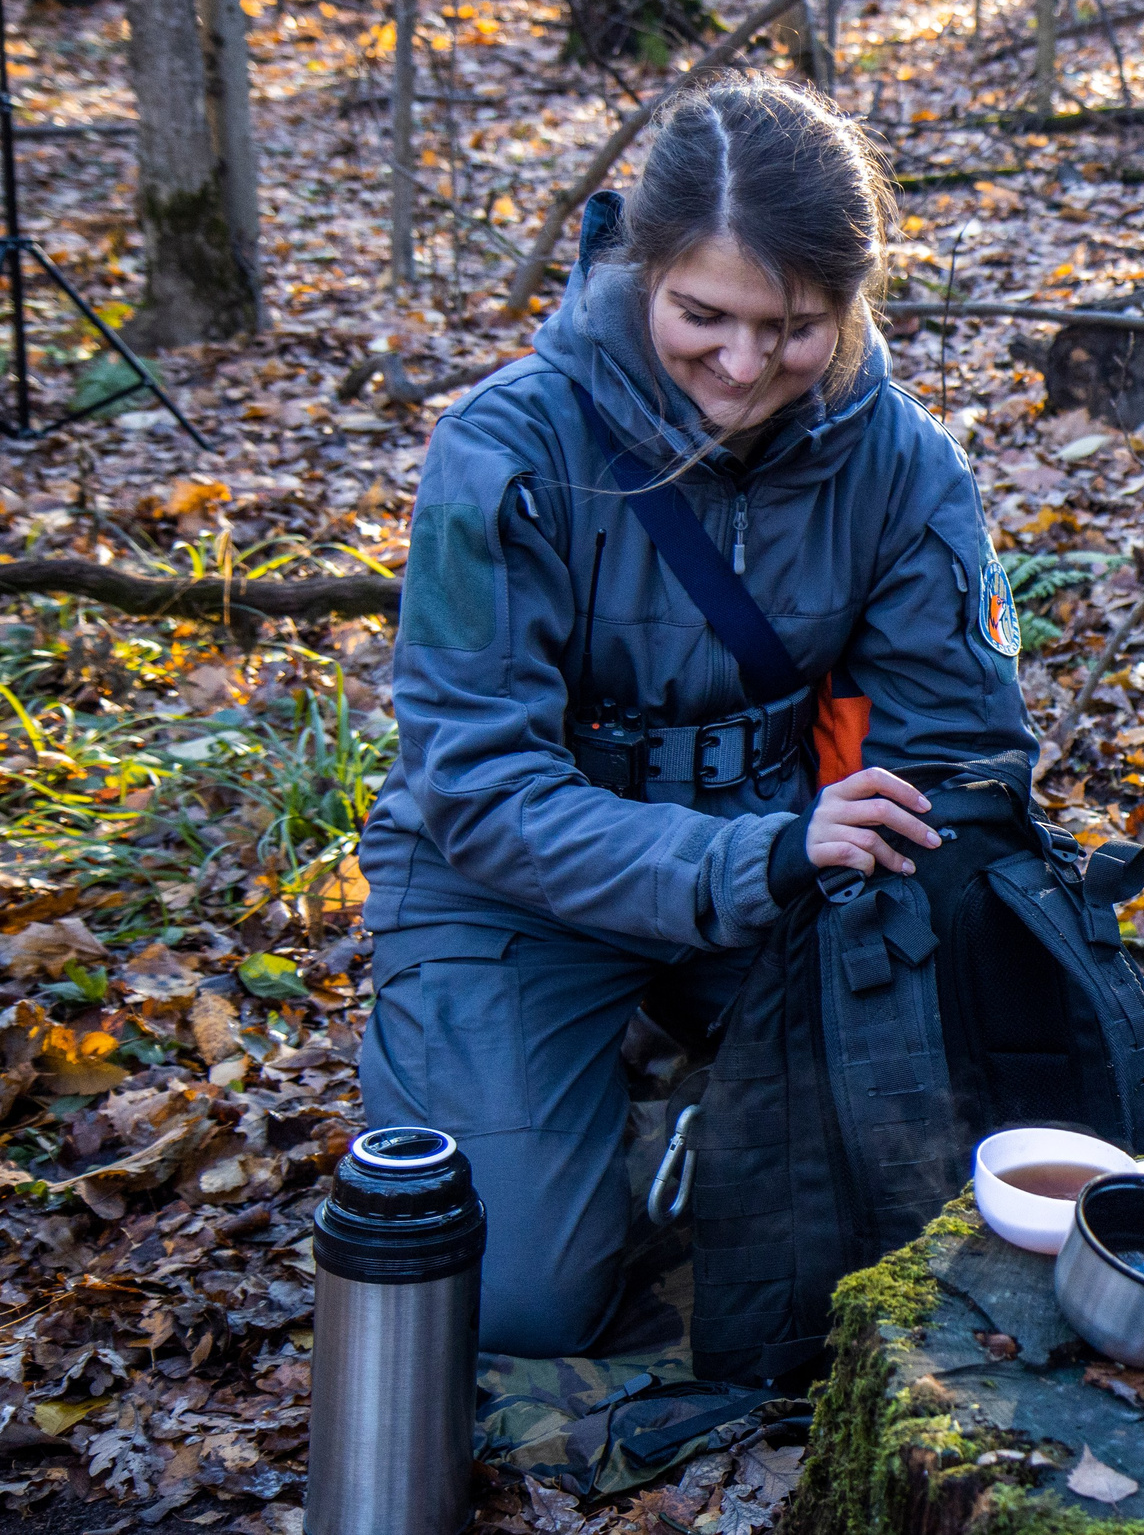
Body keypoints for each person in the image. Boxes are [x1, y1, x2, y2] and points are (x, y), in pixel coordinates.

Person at [357, 73, 1033, 1357]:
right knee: (515, 1305)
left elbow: (957, 745)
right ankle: (518, 1059)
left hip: (783, 857)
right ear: (639, 275)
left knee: (946, 1177)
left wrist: (892, 887)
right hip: (510, 888)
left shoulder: (903, 464)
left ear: (849, 304)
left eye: (792, 328)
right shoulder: (502, 452)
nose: (742, 367)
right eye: (702, 317)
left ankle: (685, 1078)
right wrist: (750, 859)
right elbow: (477, 789)